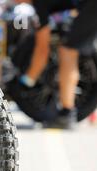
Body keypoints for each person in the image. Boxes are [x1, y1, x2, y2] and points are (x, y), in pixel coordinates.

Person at [15, 0, 97, 129]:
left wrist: (25, 82)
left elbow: (42, 52)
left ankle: (67, 114)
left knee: (68, 51)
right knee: (70, 46)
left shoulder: (39, 4)